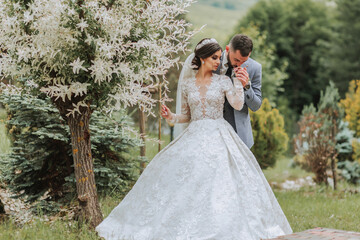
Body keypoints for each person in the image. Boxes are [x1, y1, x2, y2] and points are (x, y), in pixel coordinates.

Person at [96, 38, 292, 240]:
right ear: (204, 58)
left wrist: (241, 84)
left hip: (223, 134)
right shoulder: (188, 85)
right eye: (214, 58)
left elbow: (239, 104)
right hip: (195, 134)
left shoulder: (227, 79)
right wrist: (171, 117)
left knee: (226, 183)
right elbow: (186, 115)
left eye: (219, 58)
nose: (219, 62)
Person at [216, 34, 262, 149]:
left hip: (239, 136)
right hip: (213, 132)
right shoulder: (212, 62)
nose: (239, 64)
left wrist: (247, 86)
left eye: (244, 61)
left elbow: (256, 106)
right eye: (236, 59)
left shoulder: (255, 68)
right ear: (227, 49)